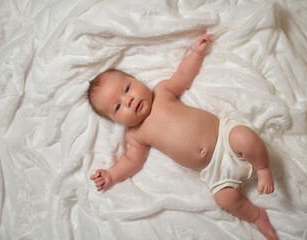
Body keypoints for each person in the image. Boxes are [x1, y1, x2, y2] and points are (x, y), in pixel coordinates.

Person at [88, 33, 277, 240]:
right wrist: (111, 175)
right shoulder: (136, 135)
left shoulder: (162, 91)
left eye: (127, 88)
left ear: (136, 80)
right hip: (213, 171)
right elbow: (132, 161)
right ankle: (257, 217)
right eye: (118, 106)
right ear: (115, 120)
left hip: (225, 137)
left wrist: (196, 53)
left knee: (245, 138)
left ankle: (263, 168)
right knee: (225, 200)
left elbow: (184, 75)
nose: (129, 100)